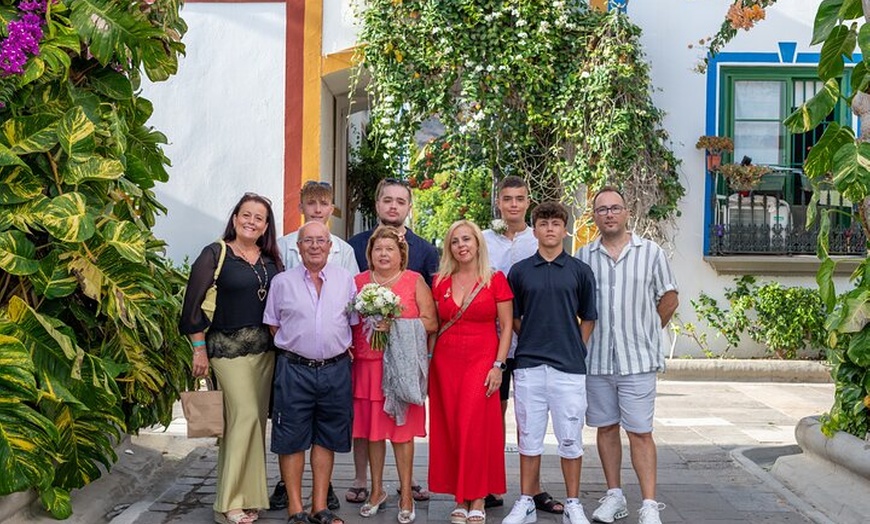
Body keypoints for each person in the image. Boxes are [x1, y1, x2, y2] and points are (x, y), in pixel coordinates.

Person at [574, 187, 678, 524]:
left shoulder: (650, 252)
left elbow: (669, 298)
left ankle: (649, 505)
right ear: (594, 216)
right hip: (597, 359)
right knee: (605, 428)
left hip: (638, 360)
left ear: (627, 212)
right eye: (602, 209)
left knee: (640, 432)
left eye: (615, 208)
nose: (609, 214)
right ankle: (614, 496)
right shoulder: (584, 257)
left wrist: (649, 331)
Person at [180, 192, 283, 524]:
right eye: (246, 215)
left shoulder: (271, 260)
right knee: (244, 417)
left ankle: (249, 496)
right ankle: (229, 503)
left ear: (266, 226)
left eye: (259, 218)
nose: (251, 222)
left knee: (253, 424)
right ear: (235, 218)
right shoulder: (215, 253)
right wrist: (199, 349)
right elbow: (191, 307)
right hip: (227, 351)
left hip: (264, 354)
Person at [503, 201, 598, 524]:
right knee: (529, 437)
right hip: (529, 365)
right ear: (535, 230)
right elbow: (514, 318)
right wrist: (533, 335)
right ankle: (526, 502)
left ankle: (573, 504)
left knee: (570, 438)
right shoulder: (520, 271)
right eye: (543, 224)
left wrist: (576, 346)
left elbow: (589, 317)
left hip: (568, 368)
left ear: (564, 229)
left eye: (556, 224)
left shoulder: (580, 271)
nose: (550, 229)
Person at [347, 177, 439, 503]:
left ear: (409, 207)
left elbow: (432, 311)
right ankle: (364, 480)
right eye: (388, 200)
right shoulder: (354, 247)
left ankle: (407, 483)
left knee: (400, 426)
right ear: (377, 204)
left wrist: (398, 326)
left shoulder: (425, 251)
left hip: (403, 358)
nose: (393, 206)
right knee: (368, 425)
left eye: (400, 201)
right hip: (365, 359)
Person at [270, 180, 358, 512]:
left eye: (321, 241)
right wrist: (299, 341)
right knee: (291, 437)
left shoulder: (345, 273)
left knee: (327, 436)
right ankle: (295, 506)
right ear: (298, 245)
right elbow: (273, 322)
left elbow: (352, 317)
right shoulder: (282, 275)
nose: (315, 246)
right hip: (295, 367)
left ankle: (320, 505)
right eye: (308, 241)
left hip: (335, 368)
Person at [482, 176, 562, 514]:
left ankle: (534, 488)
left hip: (531, 340)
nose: (513, 204)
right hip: (493, 342)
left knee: (530, 417)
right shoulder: (484, 240)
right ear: (498, 202)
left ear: (528, 202)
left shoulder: (538, 238)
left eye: (519, 198)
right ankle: (489, 484)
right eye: (507, 198)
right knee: (493, 414)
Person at [429, 220, 513, 524]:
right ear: (449, 248)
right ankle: (460, 498)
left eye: (467, 239)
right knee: (451, 428)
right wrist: (426, 364)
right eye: (455, 241)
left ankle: (477, 497)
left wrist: (498, 366)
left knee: (474, 428)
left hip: (482, 360)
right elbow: (433, 326)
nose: (461, 245)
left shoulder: (495, 279)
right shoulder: (439, 281)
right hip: (445, 363)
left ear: (478, 243)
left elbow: (506, 328)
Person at [277, 180, 359, 273]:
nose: (318, 210)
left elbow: (352, 281)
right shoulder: (282, 246)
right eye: (311, 203)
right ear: (301, 208)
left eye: (324, 204)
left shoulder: (345, 251)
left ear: (331, 209)